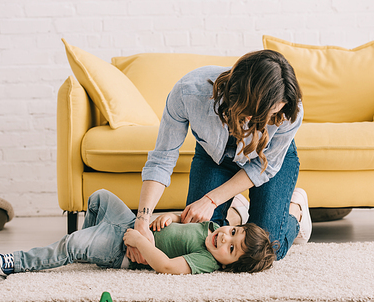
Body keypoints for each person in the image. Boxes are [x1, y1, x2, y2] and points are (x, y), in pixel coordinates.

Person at [128, 49, 312, 264]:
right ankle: (236, 213)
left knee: (267, 251)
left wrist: (211, 200)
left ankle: (295, 211)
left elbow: (265, 166)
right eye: (264, 114)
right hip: (215, 158)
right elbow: (162, 159)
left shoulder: (289, 108)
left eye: (272, 115)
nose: (269, 120)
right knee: (200, 240)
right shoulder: (189, 93)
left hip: (266, 162)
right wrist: (142, 220)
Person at [0, 189, 276, 278]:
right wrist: (170, 217)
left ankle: (16, 262)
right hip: (130, 224)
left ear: (229, 265)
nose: (226, 238)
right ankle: (91, 244)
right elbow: (181, 218)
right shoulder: (212, 228)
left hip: (124, 250)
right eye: (233, 231)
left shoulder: (206, 261)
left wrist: (139, 242)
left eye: (232, 248)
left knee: (72, 243)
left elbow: (167, 266)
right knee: (100, 197)